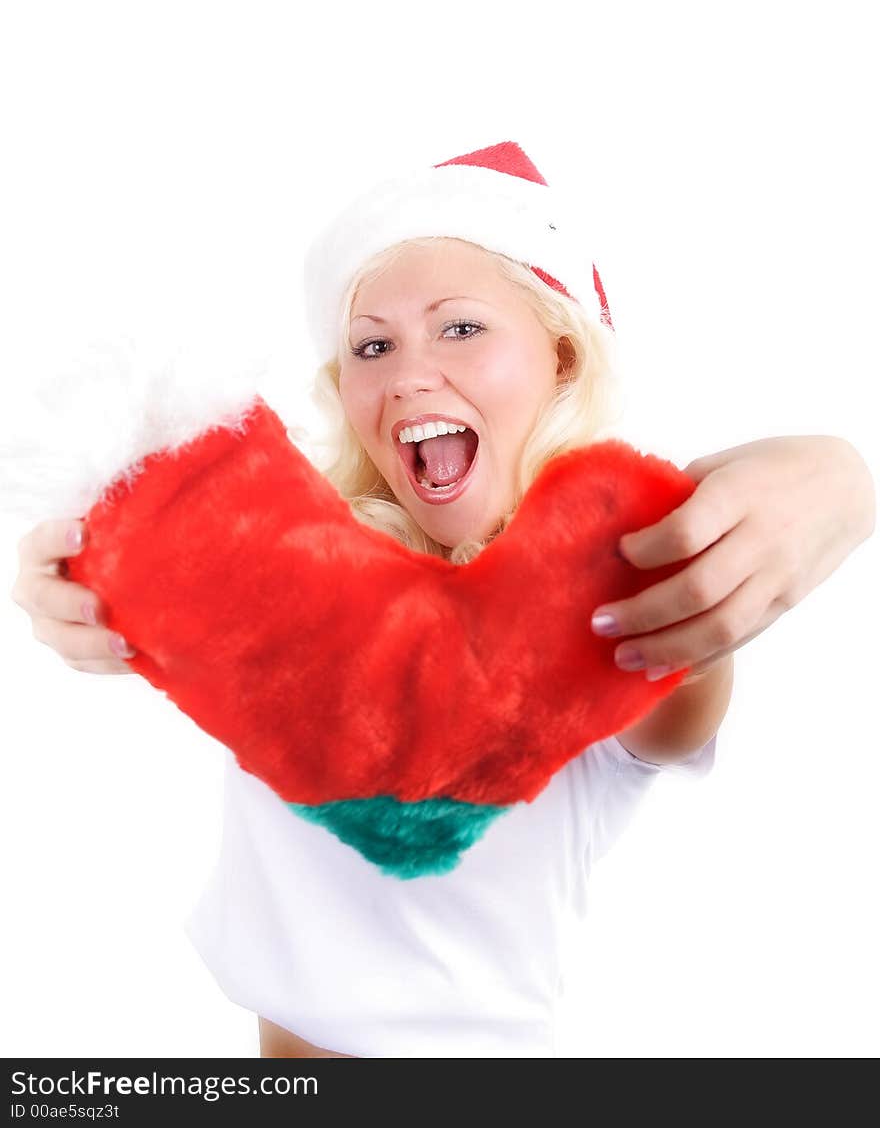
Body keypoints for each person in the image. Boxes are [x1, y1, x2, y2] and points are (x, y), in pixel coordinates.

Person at [11, 141, 874, 1059]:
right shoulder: (296, 580)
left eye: (460, 328)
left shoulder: (607, 604)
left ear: (563, 355)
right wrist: (71, 564)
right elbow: (134, 539)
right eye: (371, 346)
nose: (406, 373)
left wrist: (839, 476)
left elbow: (686, 675)